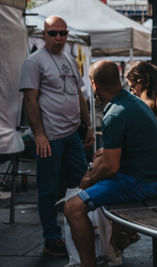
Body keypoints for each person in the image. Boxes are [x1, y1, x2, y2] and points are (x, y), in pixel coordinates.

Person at [64, 60, 157, 267]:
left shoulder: (114, 114)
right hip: (151, 176)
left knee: (72, 208)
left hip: (140, 182)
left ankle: (88, 263)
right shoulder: (132, 102)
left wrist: (89, 178)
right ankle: (116, 242)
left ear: (94, 84)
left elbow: (111, 167)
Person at [19, 15, 94, 257]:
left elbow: (79, 95)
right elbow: (30, 100)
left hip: (72, 133)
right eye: (53, 33)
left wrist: (88, 124)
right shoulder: (34, 61)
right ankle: (52, 239)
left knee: (82, 184)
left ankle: (82, 230)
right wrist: (39, 134)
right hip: (50, 136)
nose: (59, 38)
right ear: (44, 34)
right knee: (48, 190)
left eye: (63, 33)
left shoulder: (69, 59)